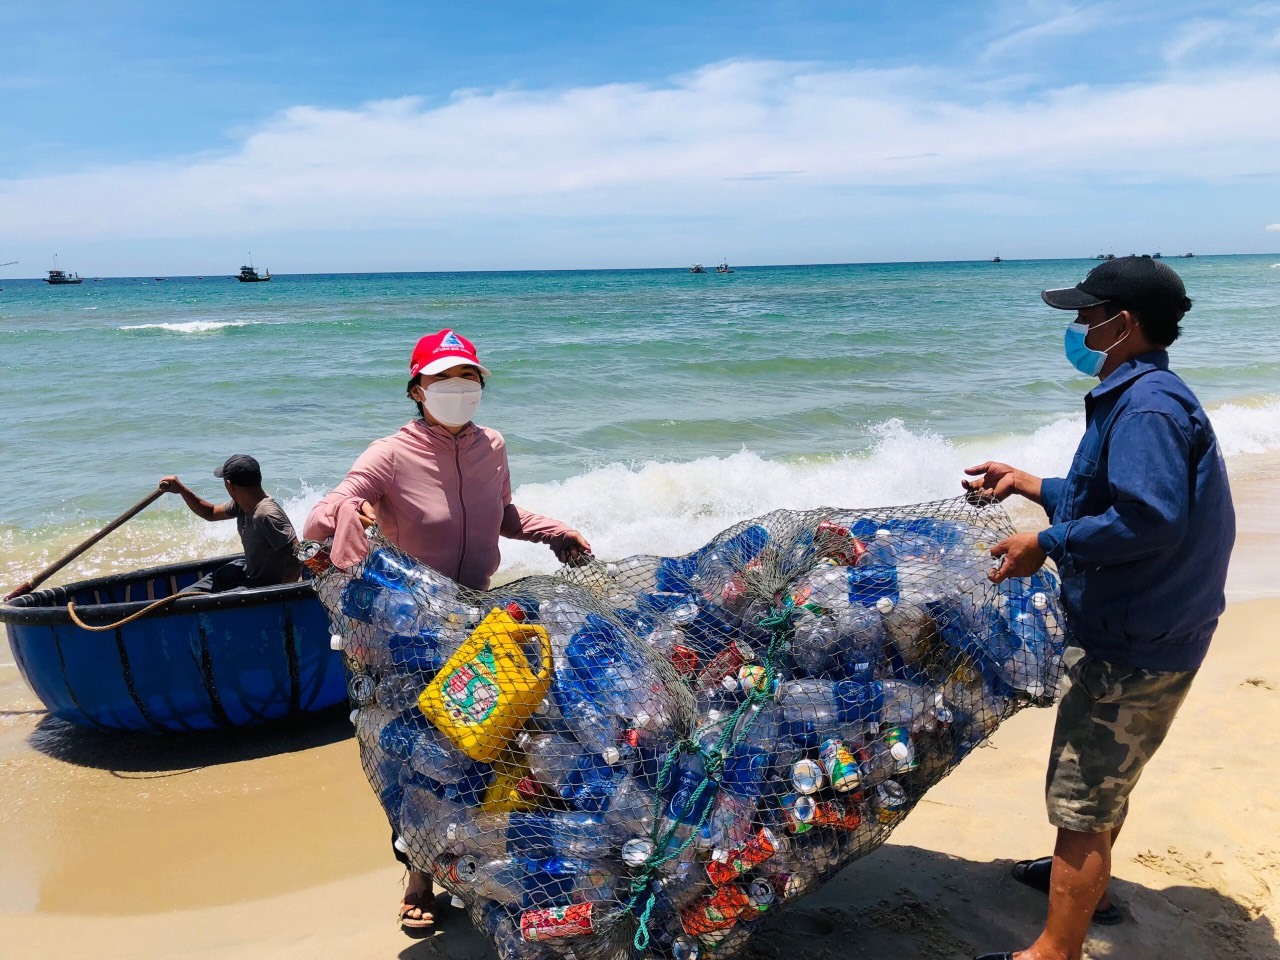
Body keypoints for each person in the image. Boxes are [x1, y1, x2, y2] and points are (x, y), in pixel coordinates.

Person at [962, 257, 1235, 960]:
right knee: (1107, 779)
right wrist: (1029, 483)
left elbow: (1149, 519)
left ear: (1124, 324)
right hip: (1158, 626)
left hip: (1135, 638)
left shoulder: (1145, 408)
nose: (1079, 329)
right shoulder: (1146, 394)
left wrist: (1046, 543)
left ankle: (1054, 951)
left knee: (1080, 800)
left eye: (1088, 316)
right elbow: (1109, 496)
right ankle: (1092, 889)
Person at [303, 328, 591, 932]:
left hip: (477, 619)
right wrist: (349, 513)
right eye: (444, 380)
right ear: (417, 389)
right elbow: (326, 511)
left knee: (490, 743)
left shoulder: (492, 445)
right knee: (421, 755)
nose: (459, 391)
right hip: (407, 631)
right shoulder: (389, 453)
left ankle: (485, 865)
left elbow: (504, 515)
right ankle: (418, 877)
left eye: (469, 380)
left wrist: (554, 530)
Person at [159, 455, 301, 591]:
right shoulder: (241, 504)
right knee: (190, 593)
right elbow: (211, 512)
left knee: (213, 601)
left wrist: (281, 596)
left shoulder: (267, 514)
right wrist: (181, 490)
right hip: (249, 570)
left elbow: (297, 556)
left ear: (229, 485)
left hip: (264, 584)